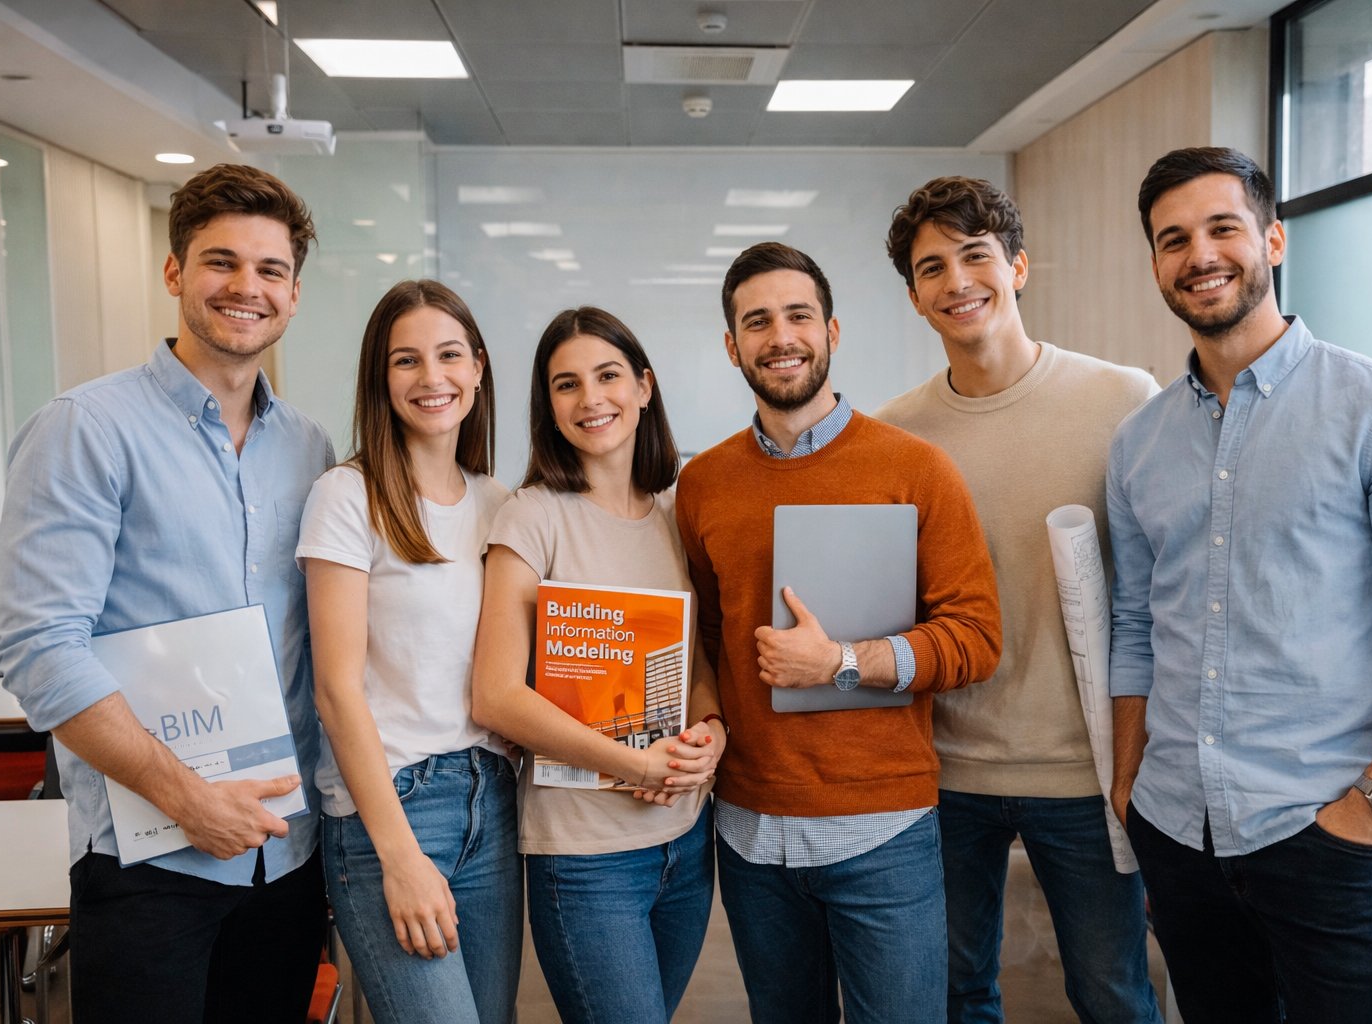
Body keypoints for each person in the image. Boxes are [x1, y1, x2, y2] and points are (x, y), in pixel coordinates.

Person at [1107, 146, 1372, 1023]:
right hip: (1179, 833)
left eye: (1222, 228)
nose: (1199, 254)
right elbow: (1134, 623)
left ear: (1272, 240)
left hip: (1329, 840)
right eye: (1173, 240)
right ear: (1158, 265)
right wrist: (1131, 783)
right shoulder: (1138, 443)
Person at [0, 164, 332, 1023]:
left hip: (286, 859)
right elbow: (39, 649)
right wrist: (188, 798)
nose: (245, 288)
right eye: (221, 263)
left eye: (270, 271)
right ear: (175, 272)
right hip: (150, 865)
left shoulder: (312, 449)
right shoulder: (86, 429)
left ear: (293, 295)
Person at [675, 241, 1003, 1024]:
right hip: (750, 831)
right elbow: (708, 642)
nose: (779, 336)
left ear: (831, 330)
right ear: (732, 346)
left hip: (882, 830)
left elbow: (976, 637)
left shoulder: (916, 469)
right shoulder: (702, 483)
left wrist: (842, 662)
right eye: (757, 322)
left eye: (797, 316)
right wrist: (708, 720)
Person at [874, 177, 1162, 1024]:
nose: (957, 280)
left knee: (1111, 992)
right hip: (947, 770)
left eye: (975, 255)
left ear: (1018, 267)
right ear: (917, 299)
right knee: (956, 992)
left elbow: (1156, 591)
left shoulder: (1122, 400)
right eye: (932, 268)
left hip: (1086, 768)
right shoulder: (898, 437)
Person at [472, 306, 727, 1024]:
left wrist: (713, 731)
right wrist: (636, 763)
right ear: (547, 407)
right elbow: (495, 695)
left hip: (684, 842)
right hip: (585, 859)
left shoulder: (681, 509)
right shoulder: (531, 516)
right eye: (566, 384)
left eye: (608, 375)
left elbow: (698, 657)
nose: (591, 400)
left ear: (644, 387)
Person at [297, 280, 520, 1024]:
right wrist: (398, 855)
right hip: (392, 808)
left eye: (449, 355)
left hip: (493, 798)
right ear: (379, 379)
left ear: (479, 367)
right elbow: (335, 691)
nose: (432, 378)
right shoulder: (347, 496)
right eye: (406, 361)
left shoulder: (499, 503)